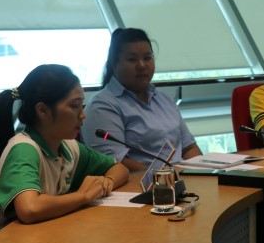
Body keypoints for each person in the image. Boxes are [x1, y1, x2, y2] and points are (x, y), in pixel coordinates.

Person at [0, 64, 129, 235]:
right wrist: (83, 196)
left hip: (40, 235)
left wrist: (106, 182)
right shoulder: (24, 149)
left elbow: (119, 168)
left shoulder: (67, 146)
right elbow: (29, 209)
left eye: (82, 105)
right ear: (43, 111)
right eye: (74, 106)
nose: (83, 115)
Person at [81, 28, 202, 172]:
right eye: (132, 59)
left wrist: (201, 173)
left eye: (147, 58)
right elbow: (116, 162)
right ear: (114, 64)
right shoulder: (102, 105)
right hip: (142, 183)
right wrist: (166, 177)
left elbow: (189, 147)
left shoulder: (165, 100)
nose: (142, 65)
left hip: (180, 180)